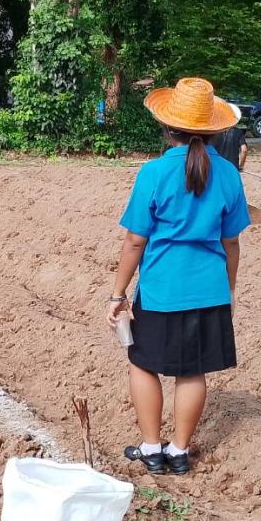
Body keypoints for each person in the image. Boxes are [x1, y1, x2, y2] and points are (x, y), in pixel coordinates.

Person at [108, 78, 249, 476]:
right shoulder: (229, 174)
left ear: (167, 126)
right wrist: (229, 289)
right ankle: (179, 451)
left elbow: (135, 241)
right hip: (209, 290)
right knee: (192, 370)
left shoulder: (154, 172)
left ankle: (151, 448)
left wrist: (117, 294)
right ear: (213, 129)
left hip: (161, 290)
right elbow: (232, 242)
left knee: (142, 363)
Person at [212, 105, 249, 171]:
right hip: (232, 167)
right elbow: (244, 150)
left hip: (217, 166)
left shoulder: (214, 132)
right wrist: (241, 166)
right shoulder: (238, 132)